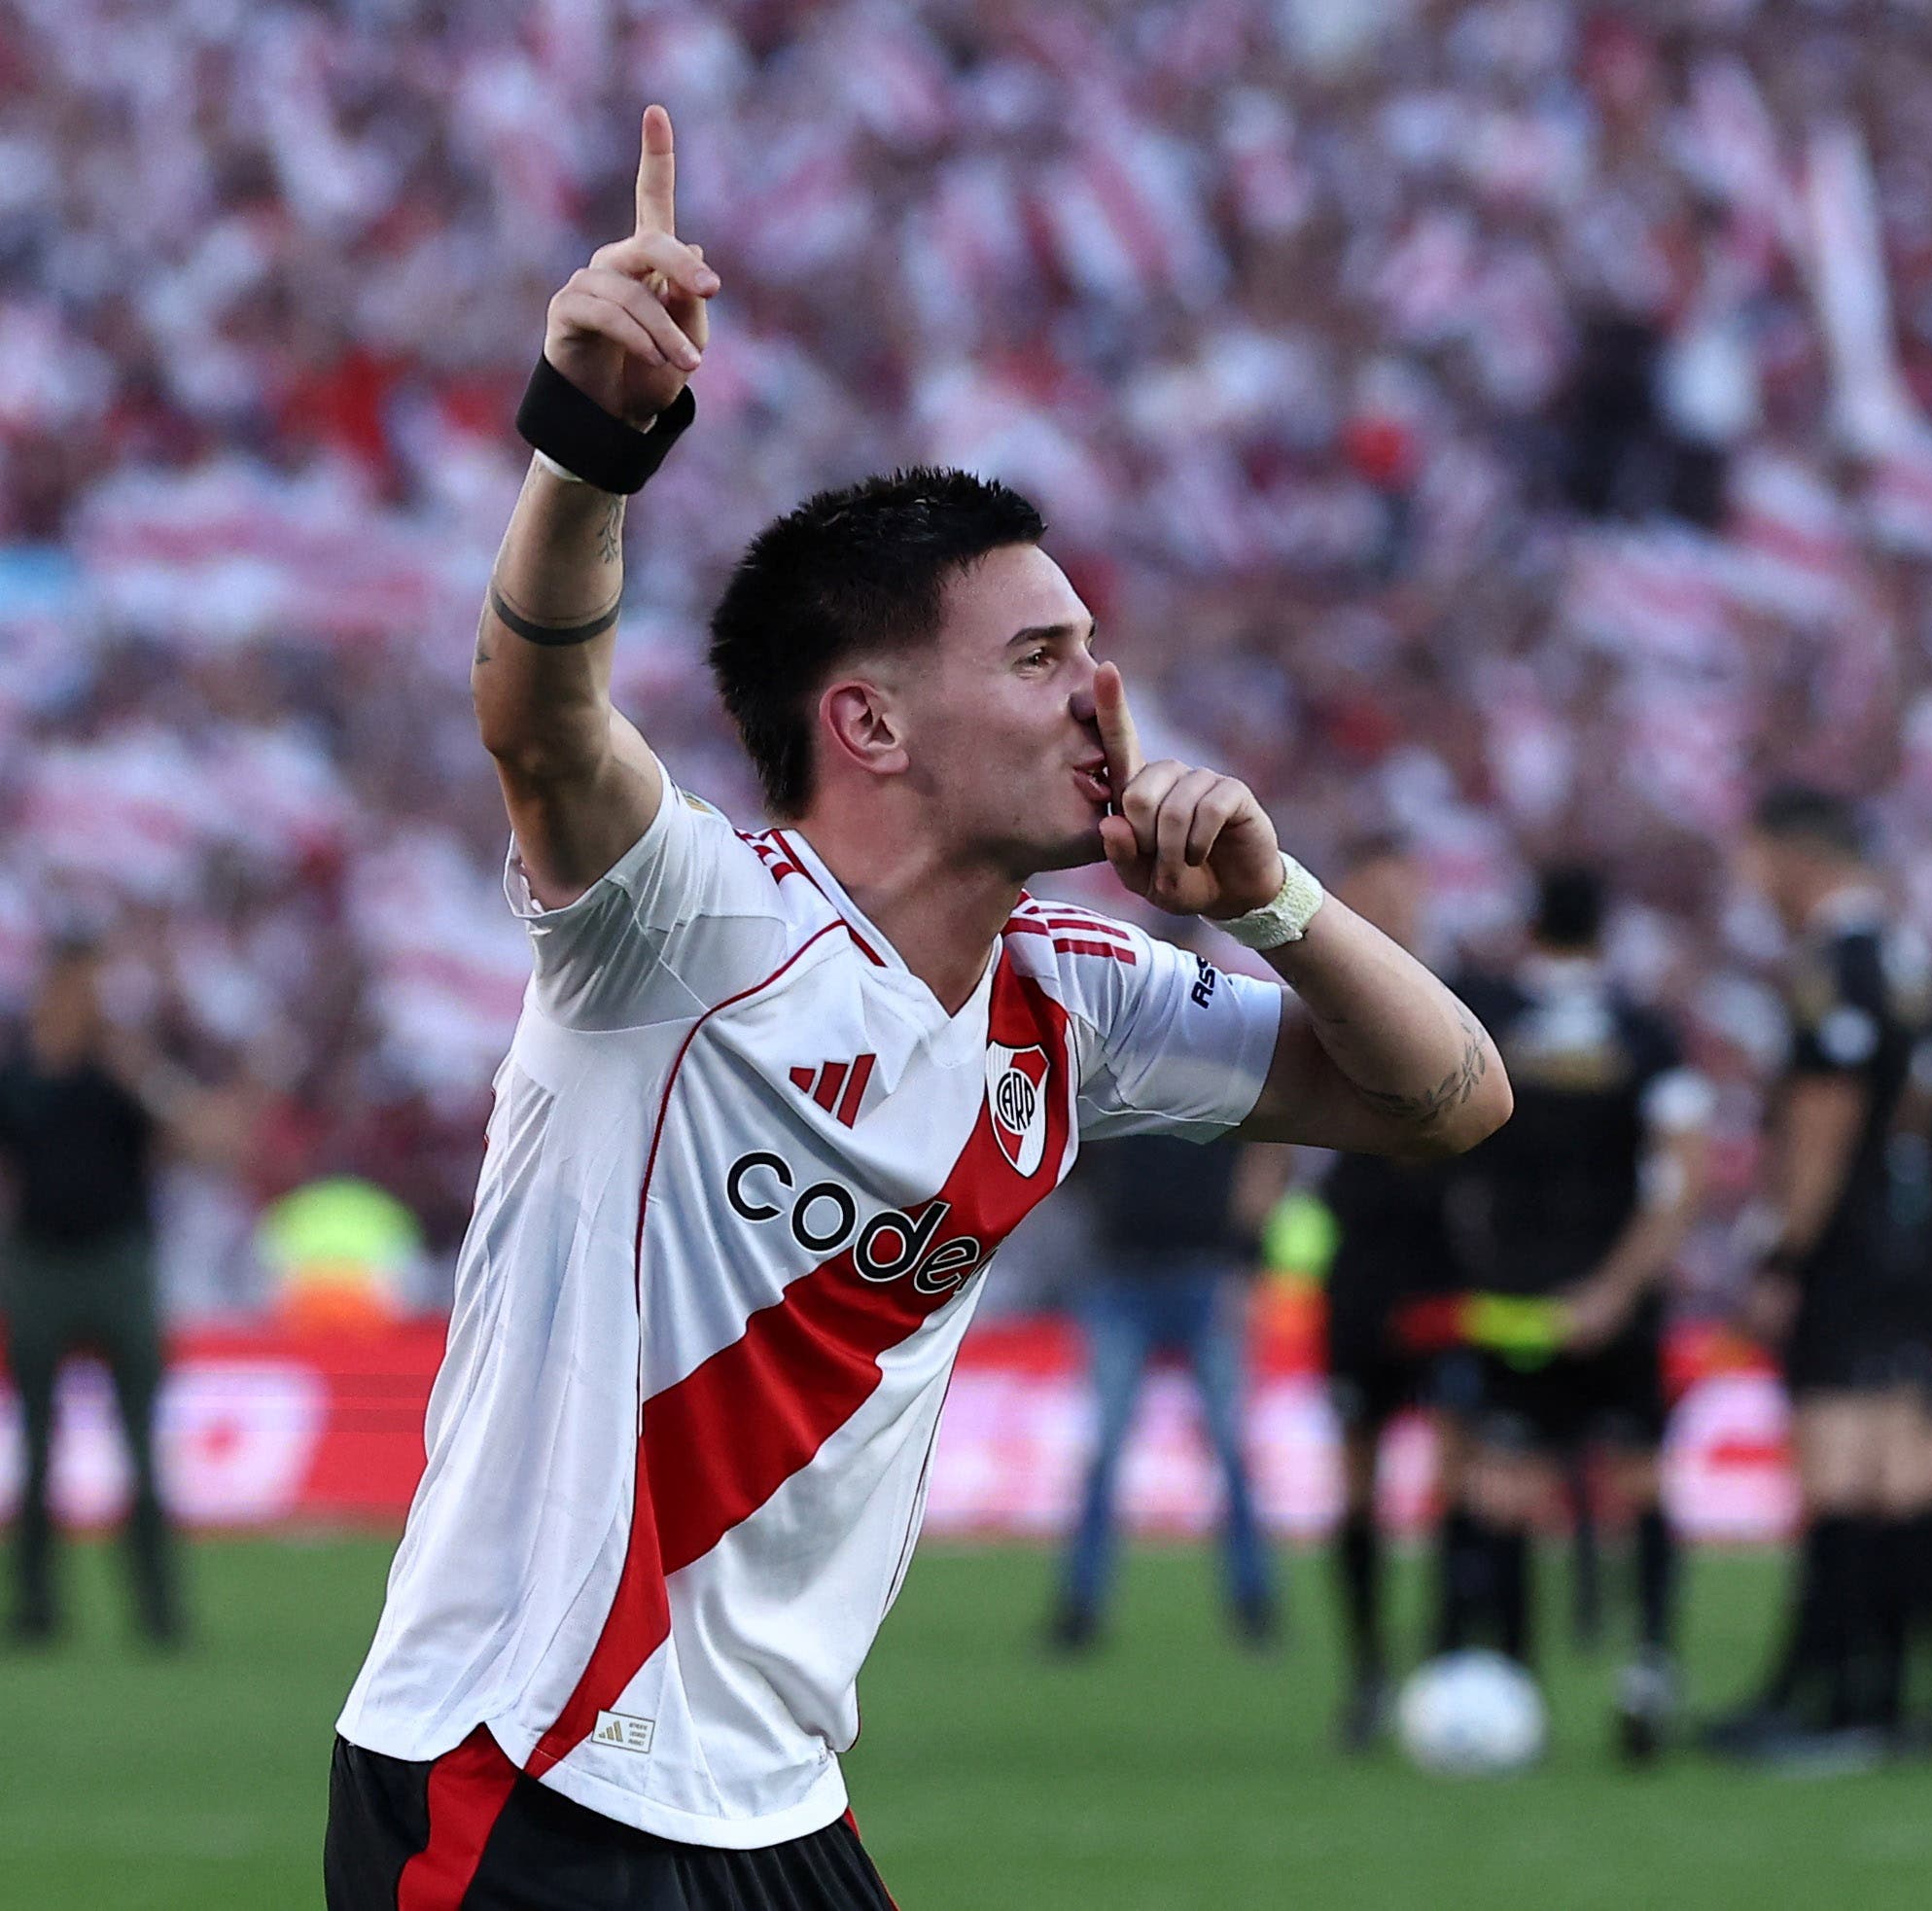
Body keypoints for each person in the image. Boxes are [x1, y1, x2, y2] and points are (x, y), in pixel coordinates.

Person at [324, 105, 1512, 1911]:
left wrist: (1275, 898)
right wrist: (586, 451)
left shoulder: (1073, 1001)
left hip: (780, 1809)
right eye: (1039, 660)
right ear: (867, 723)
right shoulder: (684, 920)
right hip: (526, 1781)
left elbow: (1447, 1099)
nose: (1097, 700)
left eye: (1094, 654)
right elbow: (538, 716)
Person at [1708, 787, 1932, 1764]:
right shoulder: (1911, 962)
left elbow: (1823, 1128)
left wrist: (1782, 1251)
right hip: (1923, 1240)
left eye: (1756, 862)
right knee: (1905, 1468)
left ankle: (1840, 1697)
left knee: (1840, 1471)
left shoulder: (1834, 970)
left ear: (1798, 856)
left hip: (1852, 1251)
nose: (1752, 885)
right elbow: (1918, 1112)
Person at [1430, 867, 1710, 1763]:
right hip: (1614, 1300)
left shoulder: (1487, 1018)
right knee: (1637, 1483)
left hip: (1514, 1299)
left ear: (1531, 927)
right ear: (1604, 931)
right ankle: (1649, 1663)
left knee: (1507, 1492)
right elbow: (1679, 1172)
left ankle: (1512, 1685)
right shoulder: (1646, 1032)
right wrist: (1620, 1289)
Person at [0, 936, 216, 1649]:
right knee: (31, 1442)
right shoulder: (12, 1079)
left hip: (116, 1262)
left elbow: (196, 1136)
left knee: (141, 1441)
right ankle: (34, 1607)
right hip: (37, 1263)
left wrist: (138, 1066)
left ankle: (157, 1608)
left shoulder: (121, 1073)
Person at [1312, 834, 1464, 1751]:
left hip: (1446, 1279)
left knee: (1455, 1475)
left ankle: (1450, 1656)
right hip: (1360, 1278)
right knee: (1359, 1481)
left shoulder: (1455, 1007)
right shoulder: (1318, 1009)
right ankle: (1369, 1667)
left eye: (1399, 900)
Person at [1049, 1124, 1285, 1652]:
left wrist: (1246, 1261)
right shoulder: (1163, 1065)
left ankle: (1254, 1604)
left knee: (1227, 1452)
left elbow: (1267, 1156)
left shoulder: (1203, 1067)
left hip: (1201, 1272)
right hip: (1127, 1273)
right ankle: (1079, 1609)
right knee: (1109, 1455)